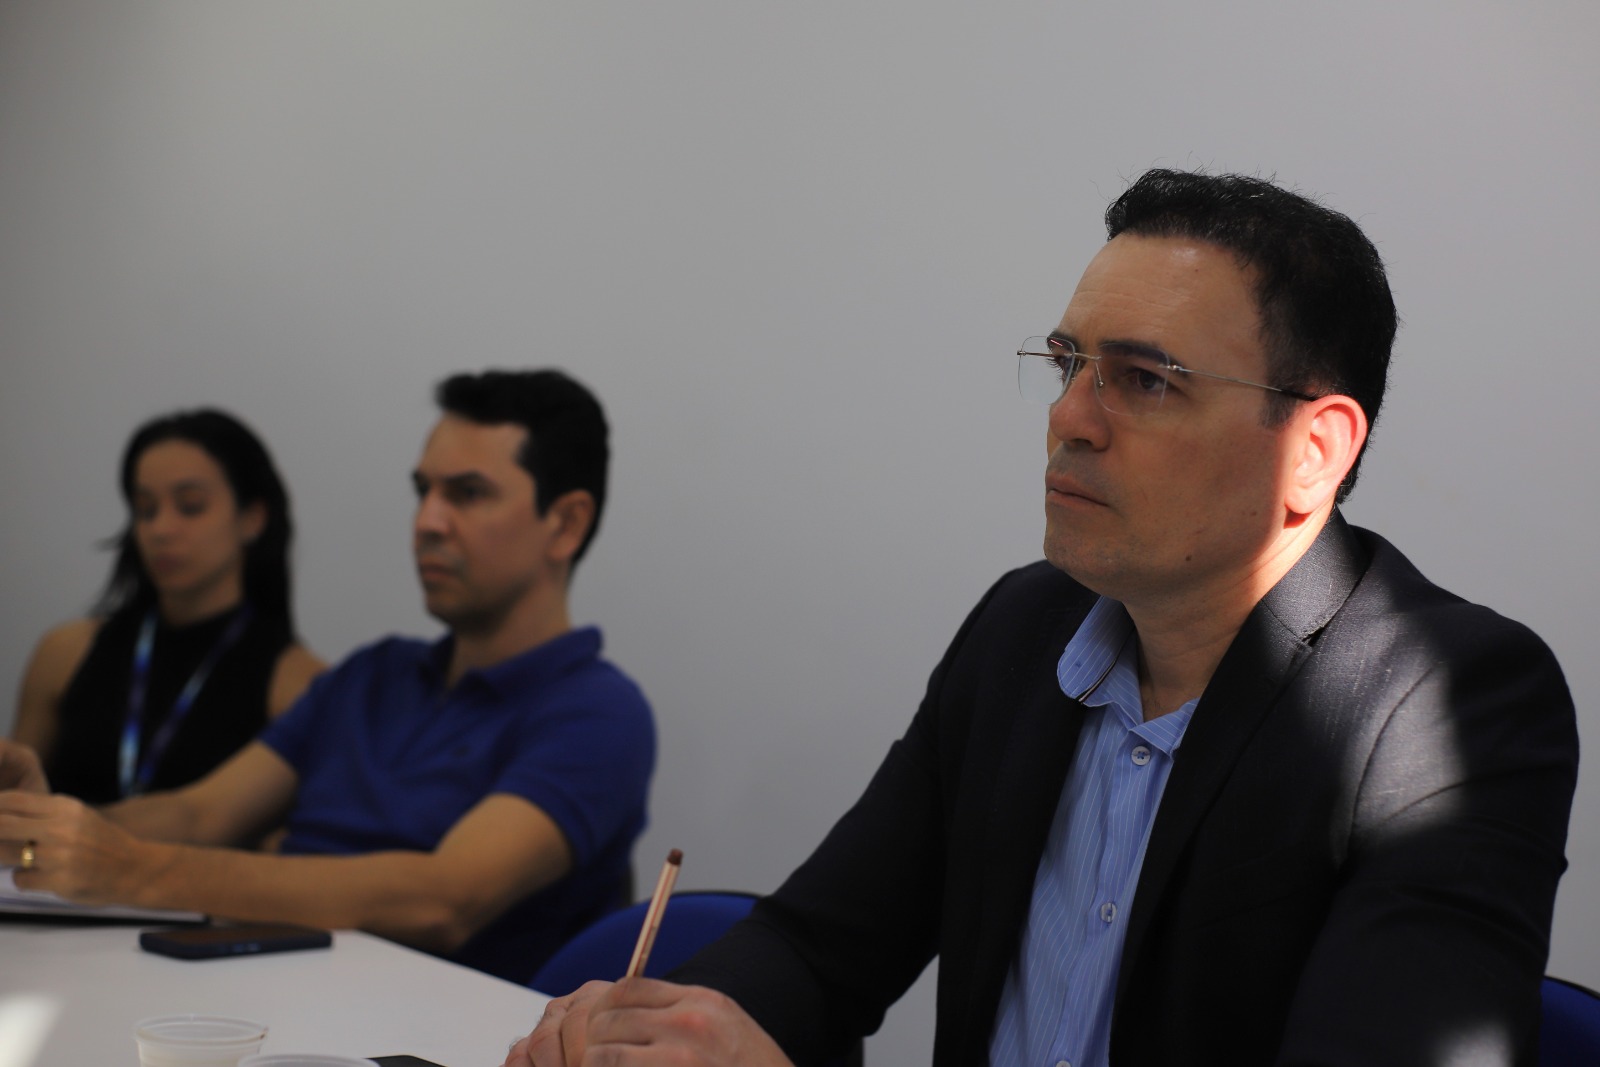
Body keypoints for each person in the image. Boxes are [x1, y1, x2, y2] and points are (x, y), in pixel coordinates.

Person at [506, 171, 1579, 1066]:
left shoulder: (1452, 706)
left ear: (1313, 450)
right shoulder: (1024, 630)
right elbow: (819, 944)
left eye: (1144, 380)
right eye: (1068, 365)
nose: (1069, 419)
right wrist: (669, 1035)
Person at [0, 369, 656, 984]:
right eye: (423, 491)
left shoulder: (599, 712)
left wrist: (133, 869)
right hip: (265, 990)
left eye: (468, 493)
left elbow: (443, 898)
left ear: (565, 523)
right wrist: (44, 825)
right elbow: (199, 812)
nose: (427, 521)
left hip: (428, 1031)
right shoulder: (373, 674)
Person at [10, 409, 324, 804]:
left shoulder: (297, 683)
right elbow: (14, 801)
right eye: (145, 509)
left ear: (252, 518)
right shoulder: (65, 652)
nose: (160, 529)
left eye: (190, 506)